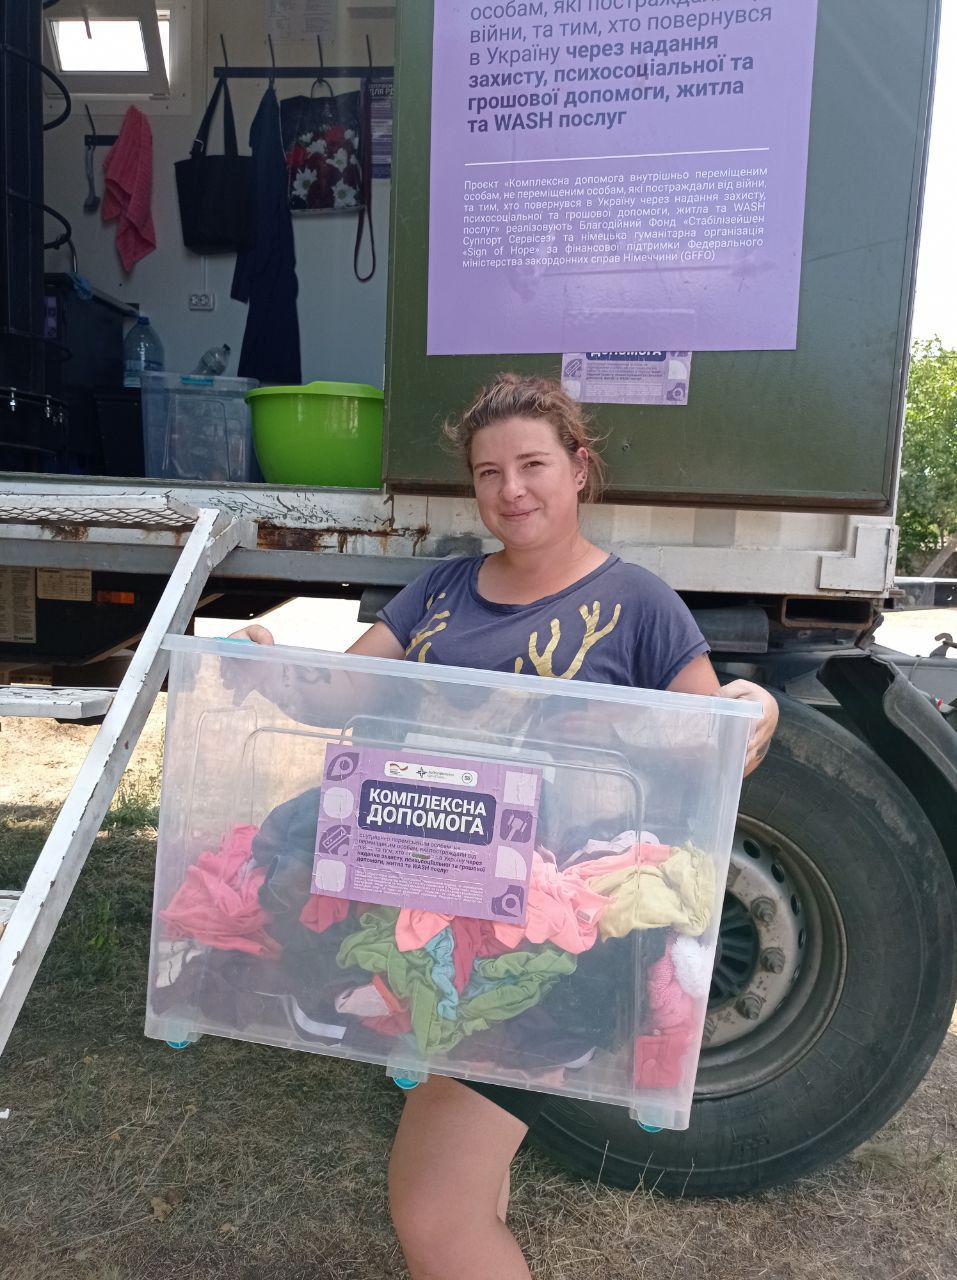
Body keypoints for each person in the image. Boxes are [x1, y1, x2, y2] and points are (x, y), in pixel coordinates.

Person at [232, 374, 779, 1280]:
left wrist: (756, 704)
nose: (511, 490)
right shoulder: (441, 589)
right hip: (427, 915)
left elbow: (712, 738)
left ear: (578, 468)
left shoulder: (638, 602)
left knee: (433, 1208)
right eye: (489, 473)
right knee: (470, 1190)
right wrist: (273, 666)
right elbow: (347, 690)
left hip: (542, 950)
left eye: (532, 465)